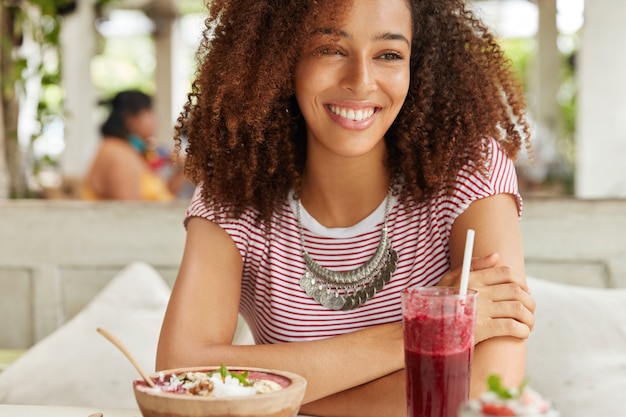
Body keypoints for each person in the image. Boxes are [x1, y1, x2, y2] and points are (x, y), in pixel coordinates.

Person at [156, 1, 536, 416]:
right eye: (330, 50)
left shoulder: (468, 171)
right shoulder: (234, 191)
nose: (361, 81)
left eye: (389, 55)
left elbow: (484, 390)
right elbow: (182, 371)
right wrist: (421, 332)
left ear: (420, 65)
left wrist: (285, 397)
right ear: (282, 60)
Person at [82, 90, 176, 201]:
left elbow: (163, 196)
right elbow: (129, 212)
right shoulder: (117, 153)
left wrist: (181, 170)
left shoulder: (128, 150)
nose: (155, 119)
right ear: (130, 119)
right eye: (149, 112)